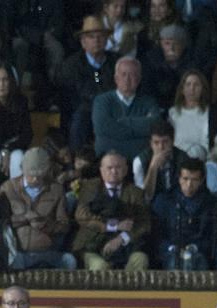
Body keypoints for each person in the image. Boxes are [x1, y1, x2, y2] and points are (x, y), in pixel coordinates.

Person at [0, 147, 76, 270]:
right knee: (13, 261)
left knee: (69, 261)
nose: (35, 179)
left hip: (45, 251)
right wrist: (24, 218)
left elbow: (64, 225)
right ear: (23, 170)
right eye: (31, 176)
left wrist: (46, 225)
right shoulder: (8, 188)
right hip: (17, 252)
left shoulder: (56, 190)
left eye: (40, 176)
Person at [72, 152, 152, 271]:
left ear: (125, 170)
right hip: (92, 245)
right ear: (101, 170)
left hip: (125, 248)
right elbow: (81, 216)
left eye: (118, 167)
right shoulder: (90, 187)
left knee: (141, 259)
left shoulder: (136, 192)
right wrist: (114, 226)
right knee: (100, 267)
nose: (114, 171)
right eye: (109, 168)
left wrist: (121, 239)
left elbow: (144, 223)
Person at [57, 16, 116, 151]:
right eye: (91, 37)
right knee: (80, 117)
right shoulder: (71, 65)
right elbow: (75, 95)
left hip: (111, 111)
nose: (96, 40)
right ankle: (77, 160)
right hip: (83, 113)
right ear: (83, 43)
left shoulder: (115, 61)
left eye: (100, 36)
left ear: (106, 40)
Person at [93, 56, 163, 162]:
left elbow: (155, 125)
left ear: (139, 79)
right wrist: (141, 126)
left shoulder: (149, 102)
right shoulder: (102, 101)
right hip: (109, 163)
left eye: (132, 75)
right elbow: (102, 127)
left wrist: (122, 122)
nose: (127, 79)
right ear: (116, 78)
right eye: (123, 74)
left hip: (141, 161)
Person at [152, 157, 217, 269]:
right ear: (179, 179)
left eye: (194, 180)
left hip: (197, 251)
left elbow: (211, 236)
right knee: (173, 261)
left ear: (201, 181)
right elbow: (156, 233)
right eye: (185, 179)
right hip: (169, 250)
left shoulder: (210, 203)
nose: (189, 184)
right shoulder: (164, 200)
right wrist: (172, 248)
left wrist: (193, 248)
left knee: (194, 261)